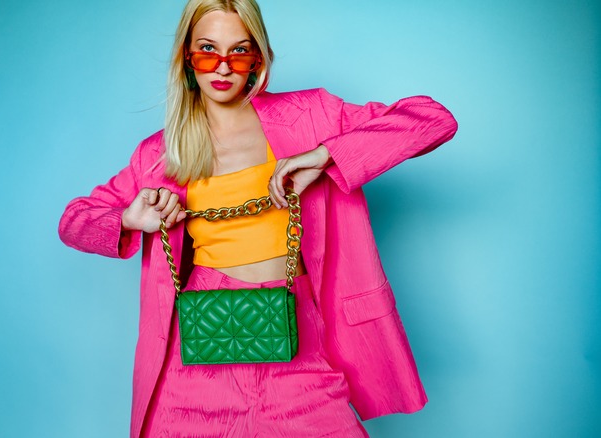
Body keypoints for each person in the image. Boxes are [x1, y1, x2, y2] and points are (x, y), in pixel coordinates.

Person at [59, 0, 458, 436]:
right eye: (208, 50)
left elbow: (431, 119)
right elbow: (75, 220)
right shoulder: (159, 154)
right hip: (197, 352)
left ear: (258, 58)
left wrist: (325, 155)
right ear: (187, 58)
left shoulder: (312, 116)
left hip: (298, 341)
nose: (223, 67)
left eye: (240, 51)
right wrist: (131, 219)